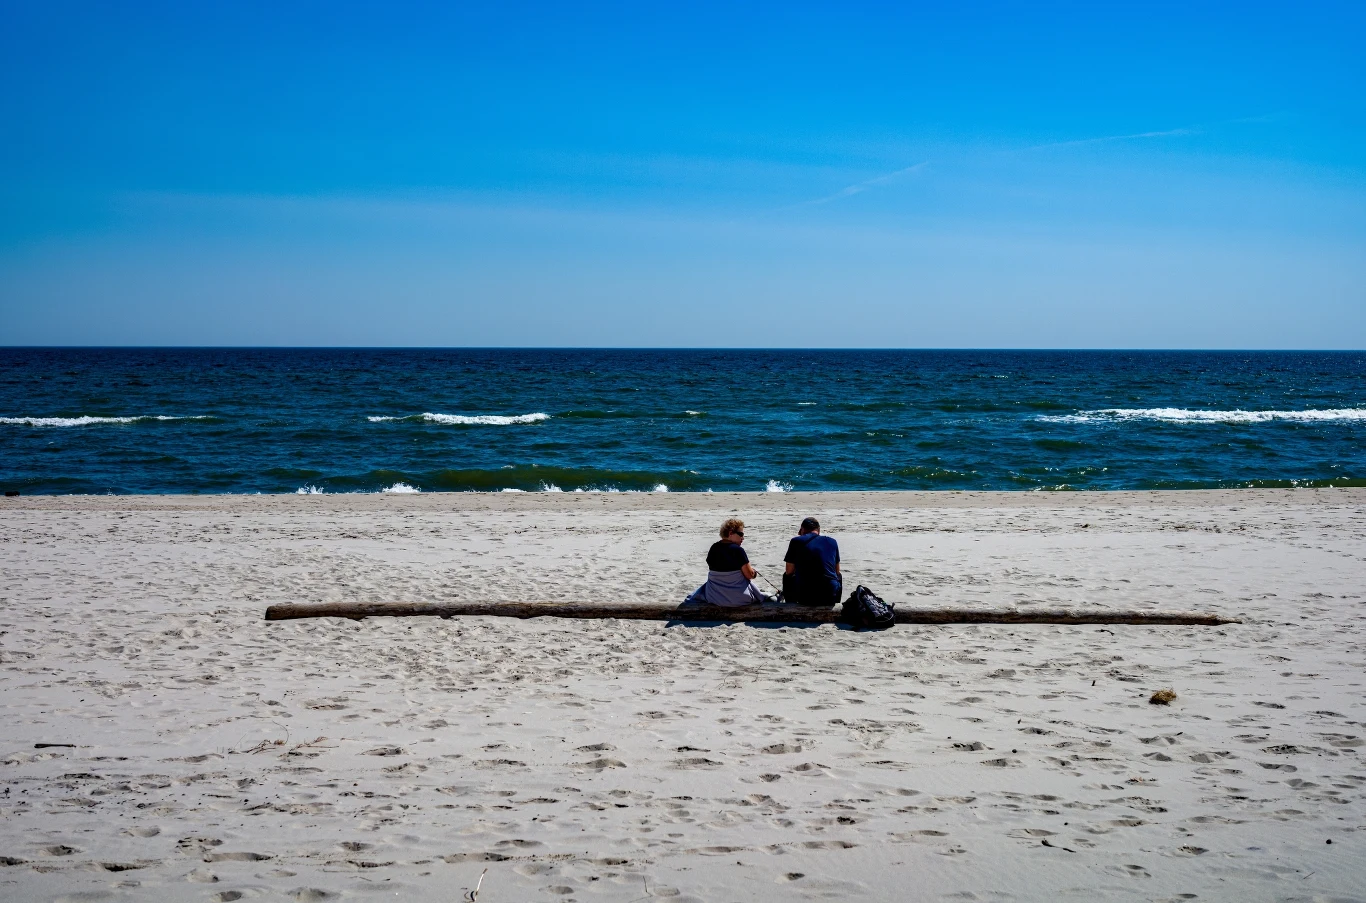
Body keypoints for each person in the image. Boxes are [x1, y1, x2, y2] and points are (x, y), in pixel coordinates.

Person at [685, 518, 776, 607]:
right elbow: (749, 575)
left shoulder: (713, 548)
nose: (743, 538)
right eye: (741, 534)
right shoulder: (738, 550)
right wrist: (754, 573)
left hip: (715, 598)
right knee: (770, 598)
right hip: (739, 598)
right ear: (730, 533)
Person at [783, 516, 841, 607]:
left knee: (787, 576)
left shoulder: (796, 541)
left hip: (806, 596)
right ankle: (836, 603)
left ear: (802, 529)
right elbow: (837, 571)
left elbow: (789, 571)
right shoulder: (832, 542)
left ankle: (789, 605)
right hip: (829, 595)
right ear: (818, 530)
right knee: (838, 576)